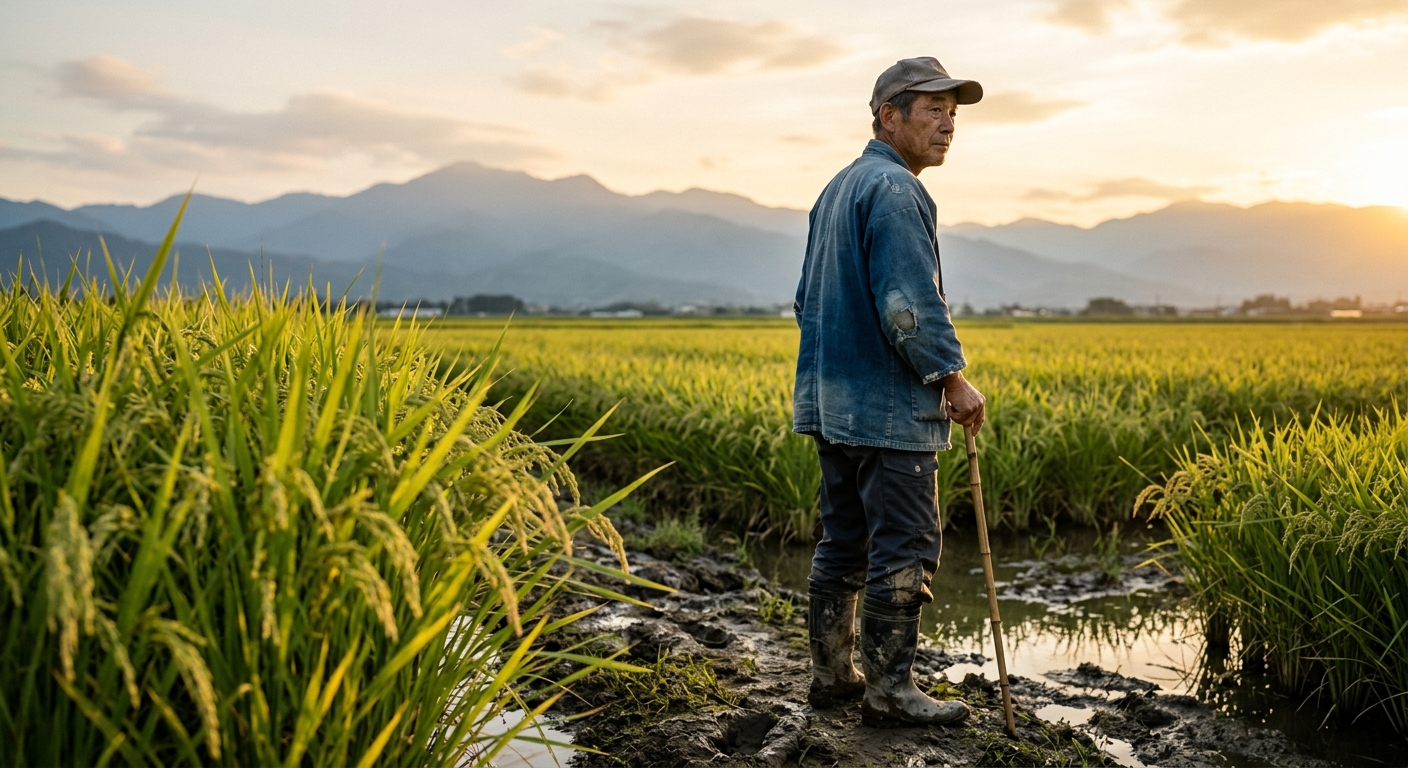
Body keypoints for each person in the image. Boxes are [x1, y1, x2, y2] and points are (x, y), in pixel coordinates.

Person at [791, 56, 987, 727]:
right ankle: (890, 692)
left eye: (952, 114)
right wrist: (952, 378)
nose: (948, 125)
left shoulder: (837, 189)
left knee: (843, 543)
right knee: (904, 547)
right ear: (888, 116)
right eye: (933, 110)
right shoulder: (897, 190)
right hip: (888, 414)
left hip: (833, 407)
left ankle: (832, 676)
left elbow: (805, 301)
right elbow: (907, 306)